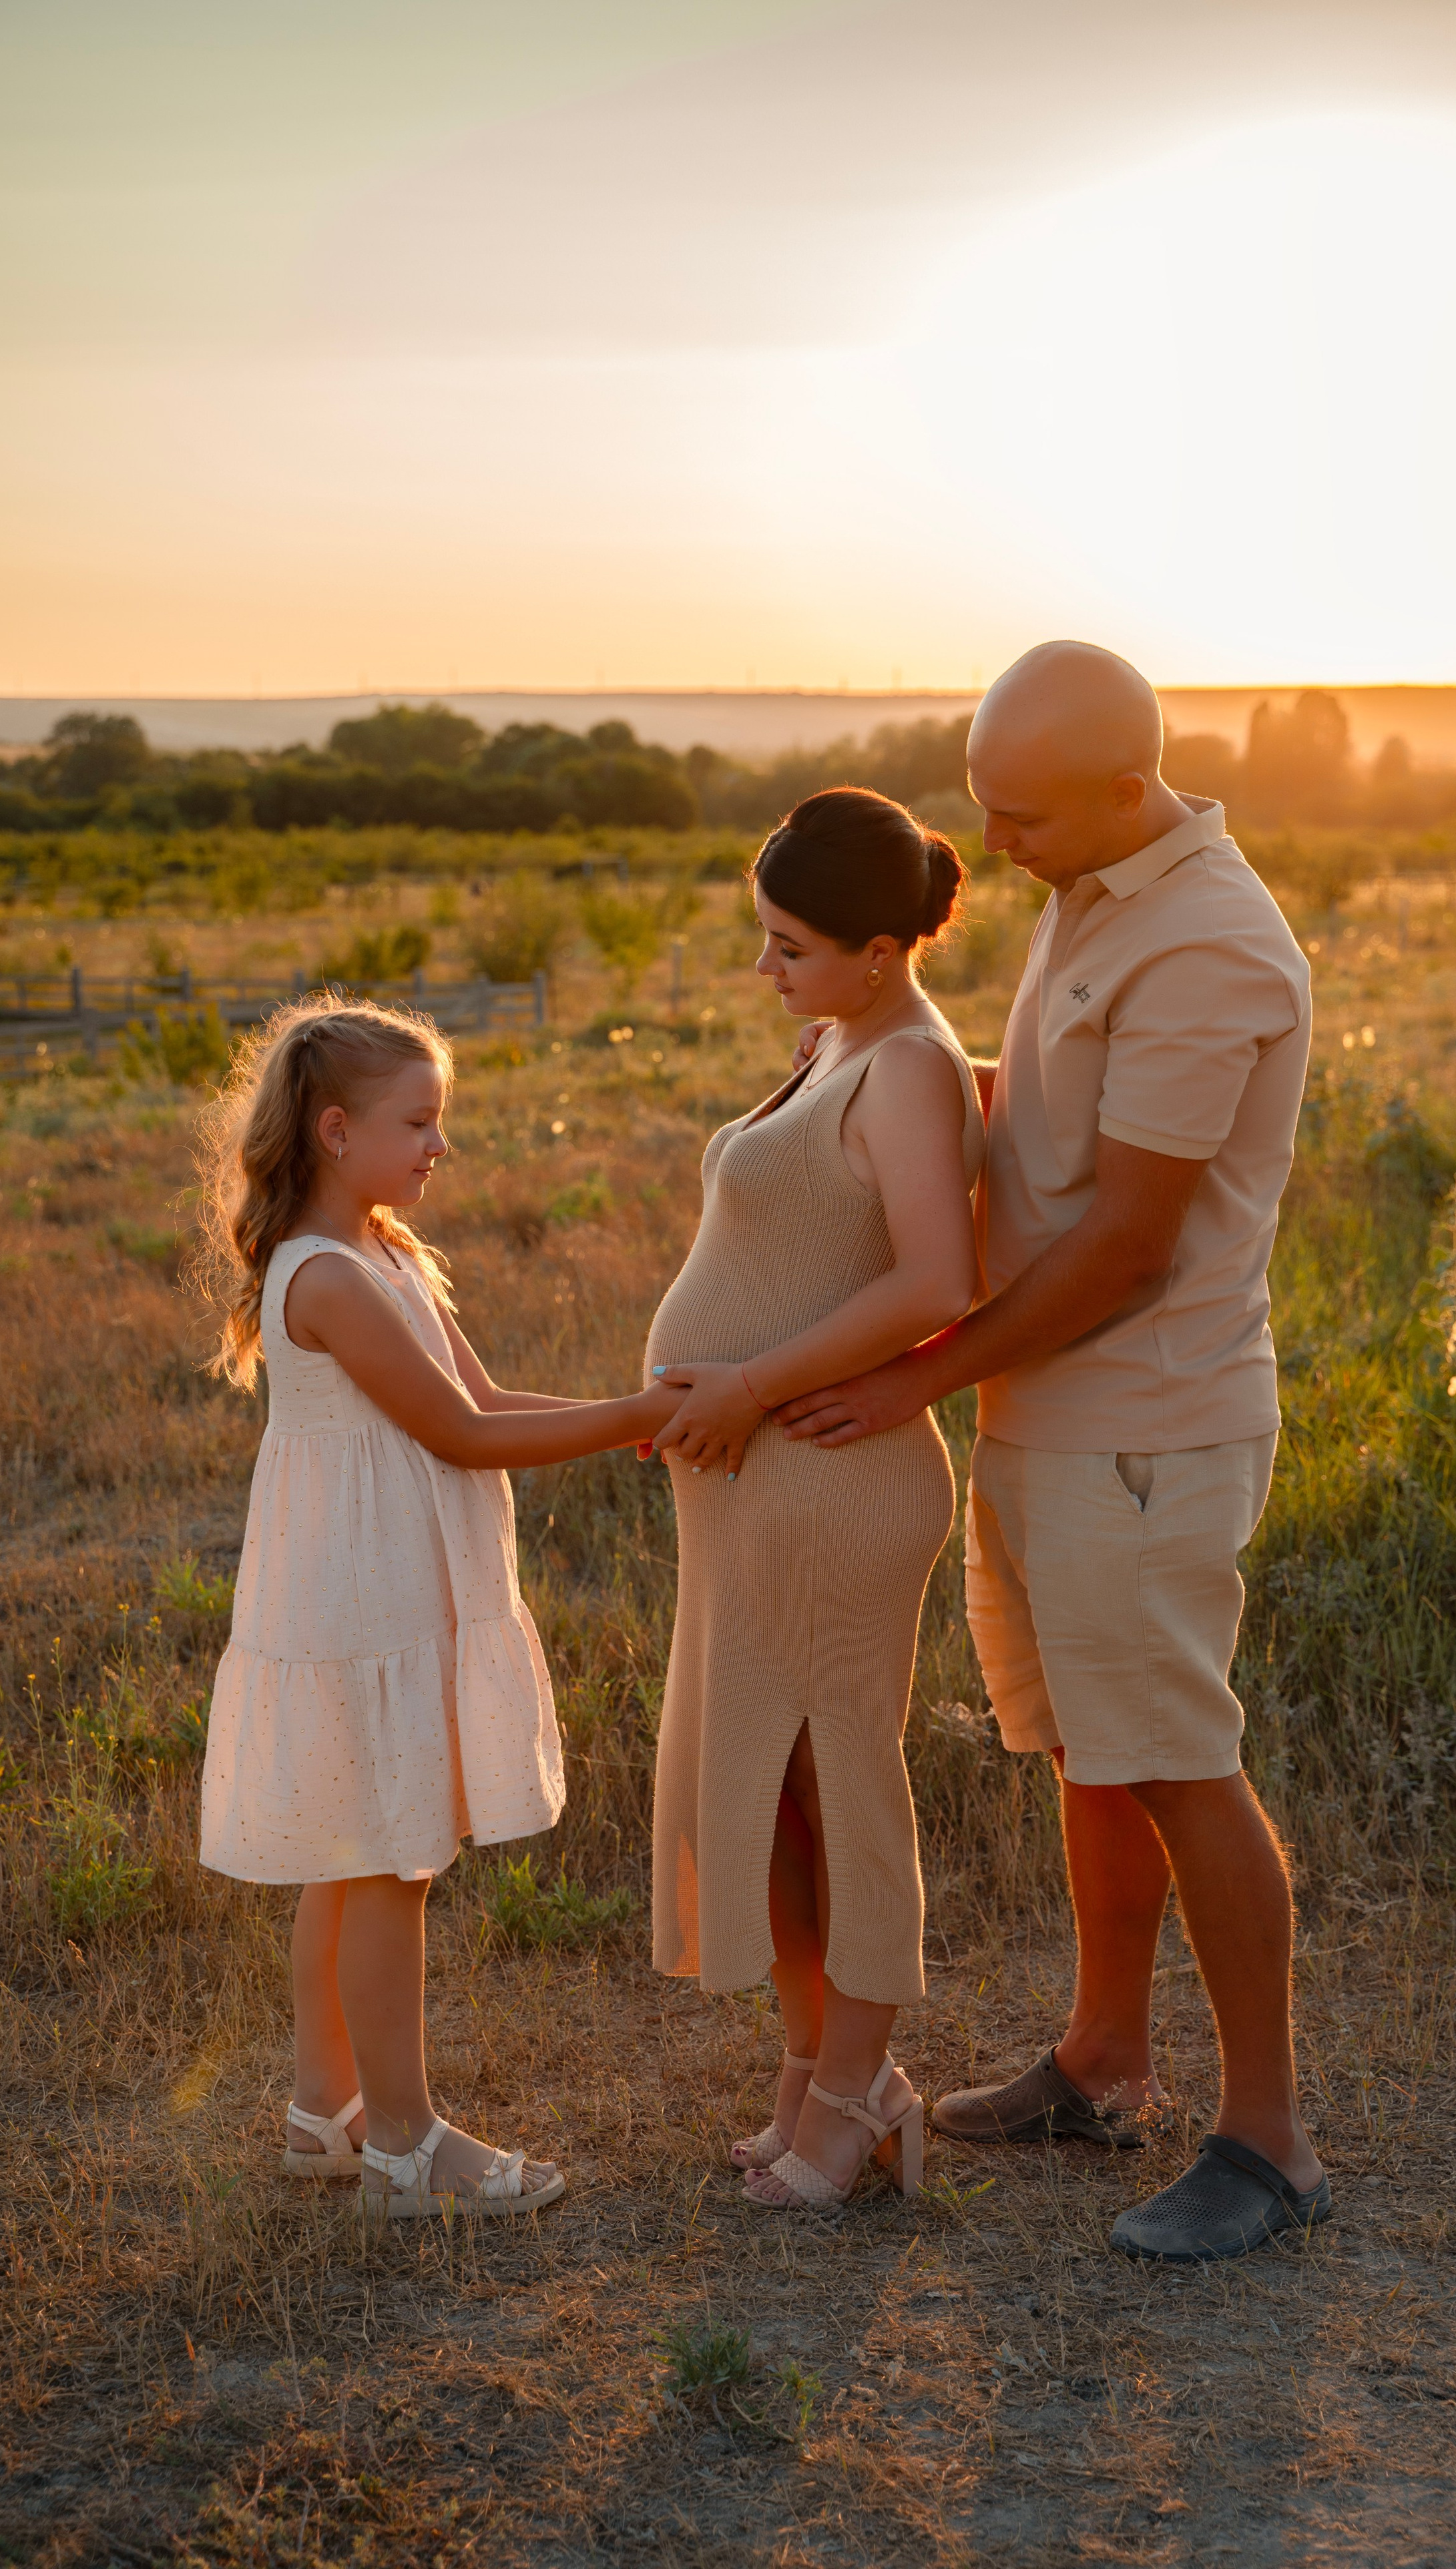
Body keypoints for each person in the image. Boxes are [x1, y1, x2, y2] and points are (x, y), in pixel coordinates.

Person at [777, 644, 1328, 2263]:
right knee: (1095, 1750)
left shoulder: (1209, 941)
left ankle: (1269, 2141)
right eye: (981, 809)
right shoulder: (1094, 889)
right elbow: (1057, 1134)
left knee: (1173, 1754)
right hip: (1056, 1414)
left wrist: (913, 1381)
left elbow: (1131, 1248)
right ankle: (1101, 2058)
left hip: (1143, 1421)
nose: (992, 845)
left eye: (1016, 816)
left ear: (1117, 785)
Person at [194, 996, 681, 2220]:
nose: (439, 1147)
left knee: (350, 1851)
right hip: (360, 1596)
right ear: (335, 1128)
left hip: (385, 1580)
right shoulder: (325, 1277)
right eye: (419, 1123)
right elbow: (463, 1436)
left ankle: (326, 2113)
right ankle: (405, 2147)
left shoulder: (389, 1257)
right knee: (388, 1856)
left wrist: (631, 1410)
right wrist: (648, 1417)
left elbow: (492, 1396)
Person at [646, 787, 985, 2214]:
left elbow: (934, 1282)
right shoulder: (844, 1039)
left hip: (829, 1474)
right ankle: (815, 2079)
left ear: (881, 947)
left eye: (788, 945)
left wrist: (739, 1387)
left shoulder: (909, 1065)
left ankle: (851, 2100)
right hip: (753, 1483)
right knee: (773, 1794)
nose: (763, 970)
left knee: (833, 1782)